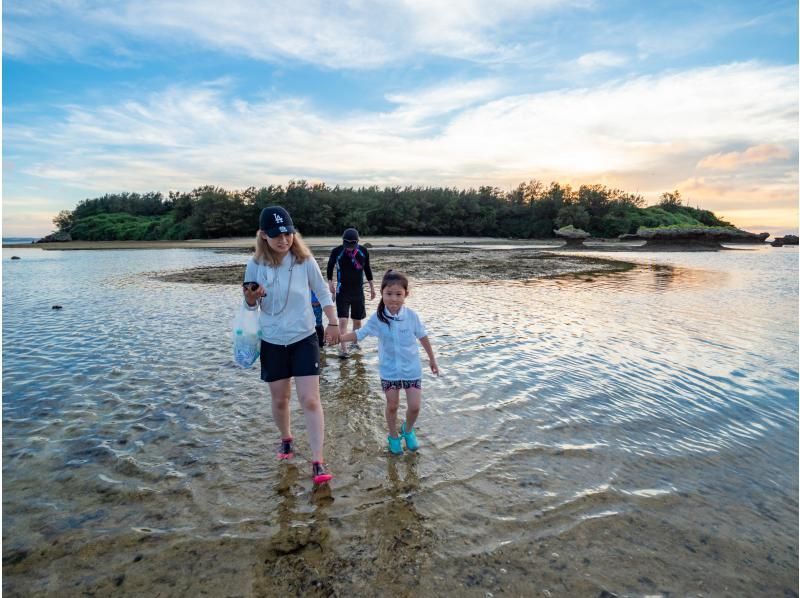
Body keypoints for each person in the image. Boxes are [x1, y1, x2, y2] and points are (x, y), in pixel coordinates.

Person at [243, 206, 340, 485]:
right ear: (263, 235)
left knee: (310, 399)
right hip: (272, 339)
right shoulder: (255, 265)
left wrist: (333, 322)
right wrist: (253, 297)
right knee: (280, 399)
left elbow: (322, 291)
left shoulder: (304, 261)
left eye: (287, 233)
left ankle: (318, 460)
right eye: (276, 235)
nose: (283, 240)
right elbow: (249, 305)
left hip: (304, 337)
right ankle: (286, 438)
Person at [339, 269, 439, 455]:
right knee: (392, 406)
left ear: (406, 294)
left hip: (411, 369)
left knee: (415, 407)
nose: (393, 299)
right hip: (390, 371)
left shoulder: (412, 316)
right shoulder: (378, 318)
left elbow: (423, 336)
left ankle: (407, 431)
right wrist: (340, 338)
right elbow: (360, 334)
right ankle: (393, 436)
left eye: (398, 294)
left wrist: (432, 359)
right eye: (389, 294)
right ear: (382, 292)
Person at [326, 228, 375, 359]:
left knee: (357, 322)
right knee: (343, 321)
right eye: (347, 245)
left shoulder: (363, 251)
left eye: (352, 245)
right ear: (343, 242)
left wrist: (372, 287)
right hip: (342, 291)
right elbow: (330, 267)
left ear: (358, 242)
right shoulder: (337, 251)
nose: (348, 248)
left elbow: (367, 269)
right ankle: (344, 349)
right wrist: (330, 283)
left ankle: (354, 343)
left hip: (358, 291)